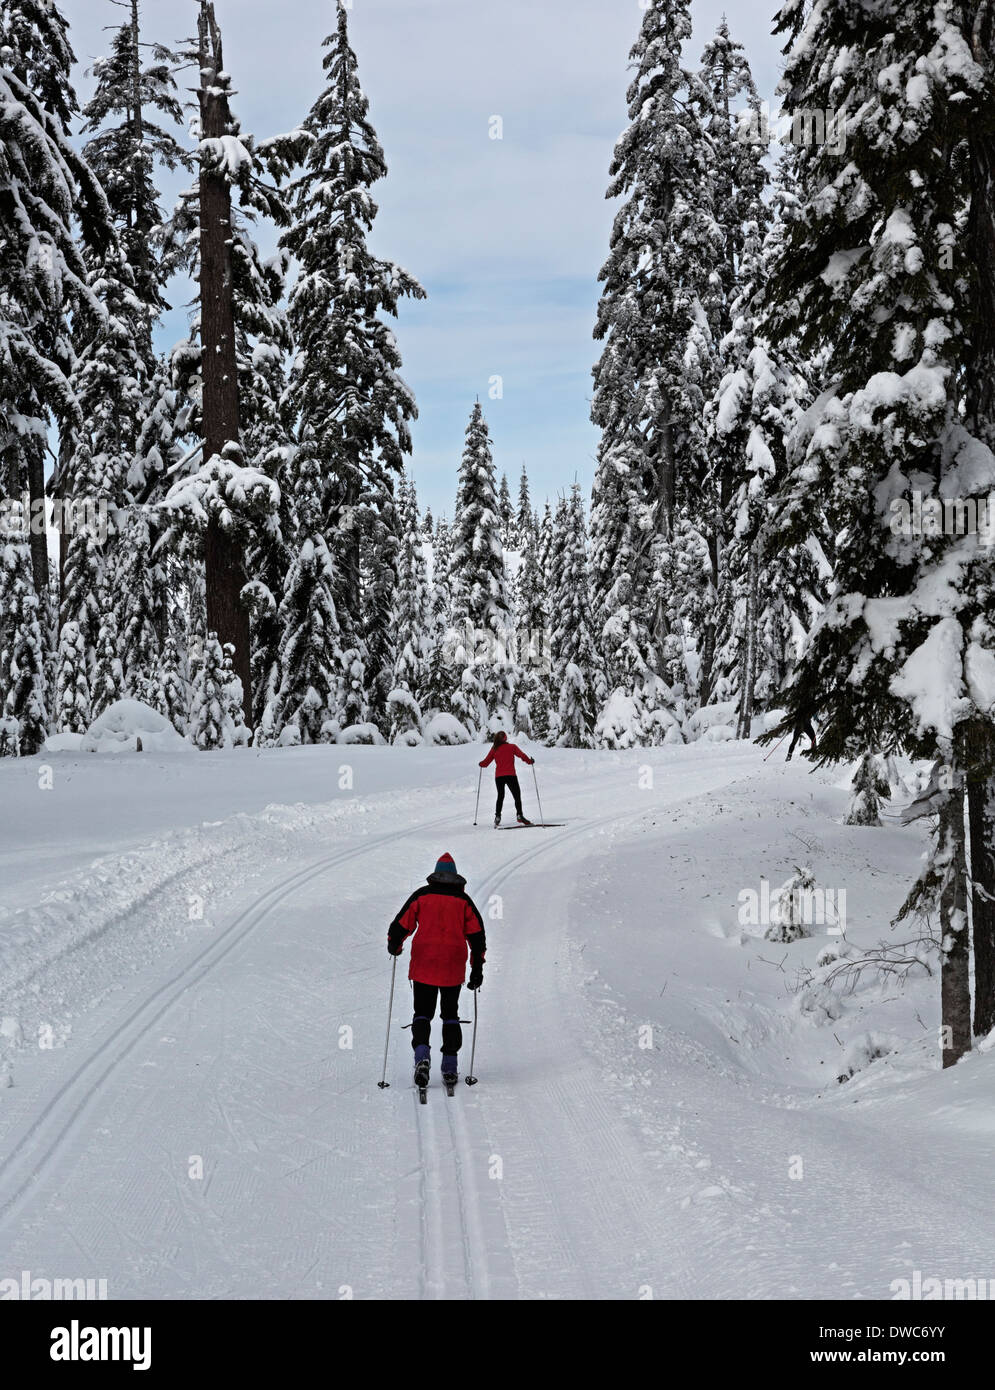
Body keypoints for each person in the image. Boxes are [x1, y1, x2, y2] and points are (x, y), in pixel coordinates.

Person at [387, 853, 486, 1088]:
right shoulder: (464, 901)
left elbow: (400, 925)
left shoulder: (422, 896)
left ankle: (422, 1057)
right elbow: (478, 937)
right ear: (455, 876)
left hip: (424, 963)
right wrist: (477, 968)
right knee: (450, 1014)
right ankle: (450, 1067)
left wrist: (395, 946)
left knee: (422, 1013)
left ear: (435, 874)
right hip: (452, 964)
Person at [479, 730, 535, 827]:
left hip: (499, 777)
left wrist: (481, 764)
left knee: (500, 796)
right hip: (511, 776)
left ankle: (497, 817)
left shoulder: (494, 749)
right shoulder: (512, 747)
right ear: (505, 738)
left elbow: (486, 762)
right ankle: (519, 815)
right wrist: (529, 761)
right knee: (516, 795)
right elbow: (522, 755)